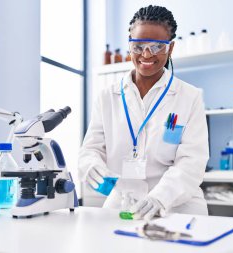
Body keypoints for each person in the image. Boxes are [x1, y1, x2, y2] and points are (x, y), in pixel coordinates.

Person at [78, 5, 209, 220]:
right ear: (130, 46)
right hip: (121, 204)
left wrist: (160, 197)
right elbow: (90, 149)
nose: (146, 54)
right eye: (138, 46)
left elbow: (192, 161)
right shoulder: (107, 97)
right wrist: (91, 166)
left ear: (170, 48)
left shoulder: (189, 96)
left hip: (177, 208)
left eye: (157, 46)